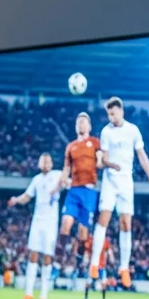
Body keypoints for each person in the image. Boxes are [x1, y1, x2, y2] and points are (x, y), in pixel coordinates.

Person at [90, 97, 149, 288]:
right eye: (108, 114)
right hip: (110, 181)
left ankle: (123, 268)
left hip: (126, 181)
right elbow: (103, 159)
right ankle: (94, 263)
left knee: (126, 224)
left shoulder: (133, 130)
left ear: (121, 111)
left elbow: (142, 156)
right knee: (103, 219)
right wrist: (109, 164)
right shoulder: (106, 132)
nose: (111, 117)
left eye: (113, 113)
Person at [8, 153, 63, 299]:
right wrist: (16, 200)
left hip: (51, 222)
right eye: (43, 161)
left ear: (51, 163)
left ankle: (43, 297)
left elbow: (67, 181)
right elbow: (27, 196)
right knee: (32, 255)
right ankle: (28, 293)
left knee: (47, 258)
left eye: (48, 161)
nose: (45, 163)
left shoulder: (58, 175)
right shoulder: (37, 179)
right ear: (39, 164)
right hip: (37, 221)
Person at [58, 112, 101, 269]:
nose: (81, 124)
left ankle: (79, 256)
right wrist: (64, 178)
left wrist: (102, 161)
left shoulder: (95, 142)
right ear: (76, 127)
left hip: (89, 192)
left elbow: (101, 157)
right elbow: (66, 167)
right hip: (74, 190)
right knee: (65, 223)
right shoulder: (71, 146)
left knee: (83, 232)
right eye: (78, 122)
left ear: (89, 126)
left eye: (84, 122)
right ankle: (59, 256)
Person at [83, 235, 113, 299]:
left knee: (103, 284)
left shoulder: (105, 241)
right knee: (88, 283)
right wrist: (85, 260)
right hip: (93, 266)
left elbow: (109, 250)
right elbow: (87, 252)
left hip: (101, 266)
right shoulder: (91, 240)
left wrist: (111, 257)